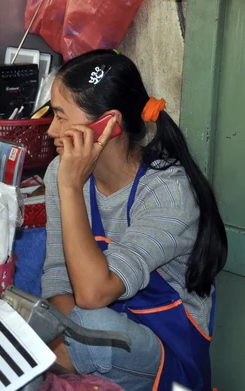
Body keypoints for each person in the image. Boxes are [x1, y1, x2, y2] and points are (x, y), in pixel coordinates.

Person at [42, 49, 227, 391]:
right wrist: (72, 340)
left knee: (83, 322)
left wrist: (70, 186)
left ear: (107, 124)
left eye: (60, 116)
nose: (52, 129)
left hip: (167, 357)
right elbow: (57, 275)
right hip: (96, 336)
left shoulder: (169, 192)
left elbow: (93, 294)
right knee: (41, 322)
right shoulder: (59, 172)